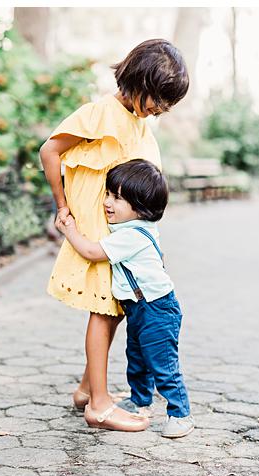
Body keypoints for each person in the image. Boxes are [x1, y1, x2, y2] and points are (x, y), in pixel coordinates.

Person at [40, 39, 189, 431]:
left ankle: (87, 390)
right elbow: (49, 151)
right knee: (104, 310)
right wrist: (62, 205)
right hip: (97, 228)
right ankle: (100, 406)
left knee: (119, 306)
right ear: (140, 83)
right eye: (158, 99)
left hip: (125, 235)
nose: (161, 109)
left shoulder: (138, 123)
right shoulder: (101, 114)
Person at [56, 159, 194, 438]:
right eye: (107, 194)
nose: (107, 202)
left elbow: (93, 252)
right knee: (137, 357)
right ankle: (141, 400)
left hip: (157, 309)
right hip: (140, 308)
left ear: (141, 208)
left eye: (117, 198)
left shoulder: (131, 235)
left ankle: (181, 414)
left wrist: (69, 230)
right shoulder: (127, 229)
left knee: (162, 363)